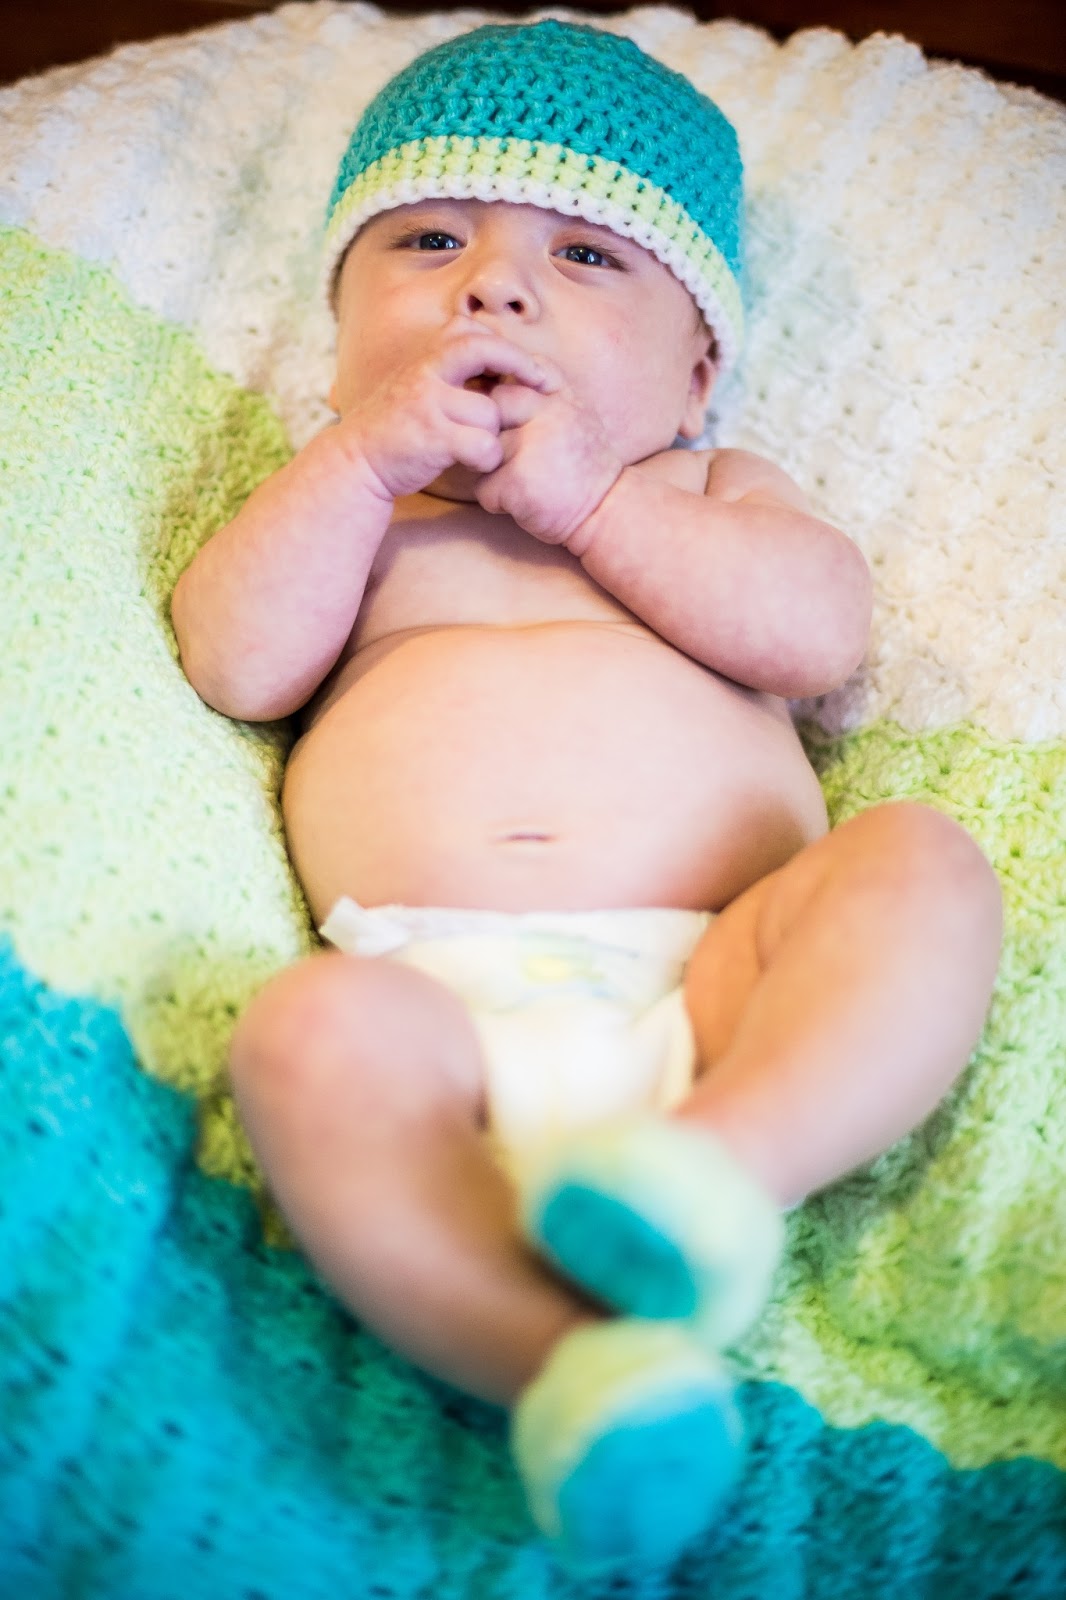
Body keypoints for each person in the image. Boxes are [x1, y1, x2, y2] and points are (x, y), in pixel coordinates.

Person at [170, 19, 1002, 1572]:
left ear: (695, 375)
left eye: (585, 256)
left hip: (724, 979)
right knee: (300, 1039)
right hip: (428, 1001)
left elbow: (818, 634)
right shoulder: (355, 511)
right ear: (339, 340)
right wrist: (355, 467)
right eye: (429, 241)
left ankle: (719, 1169)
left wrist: (591, 507)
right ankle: (568, 1371)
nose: (494, 287)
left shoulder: (704, 489)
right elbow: (234, 662)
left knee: (919, 869)